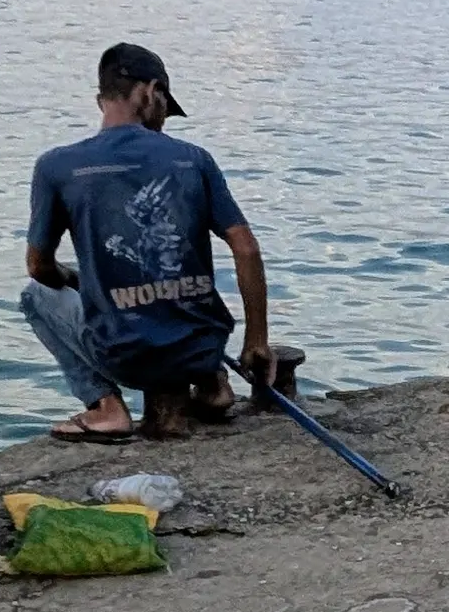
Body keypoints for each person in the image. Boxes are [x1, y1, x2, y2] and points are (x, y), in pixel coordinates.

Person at [21, 42, 273, 444]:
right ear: (149, 91)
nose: (164, 121)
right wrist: (256, 341)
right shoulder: (194, 159)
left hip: (128, 359)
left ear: (100, 99)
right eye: (165, 107)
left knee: (35, 295)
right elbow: (246, 248)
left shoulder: (56, 165)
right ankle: (211, 381)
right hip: (201, 348)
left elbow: (39, 268)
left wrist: (78, 278)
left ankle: (105, 406)